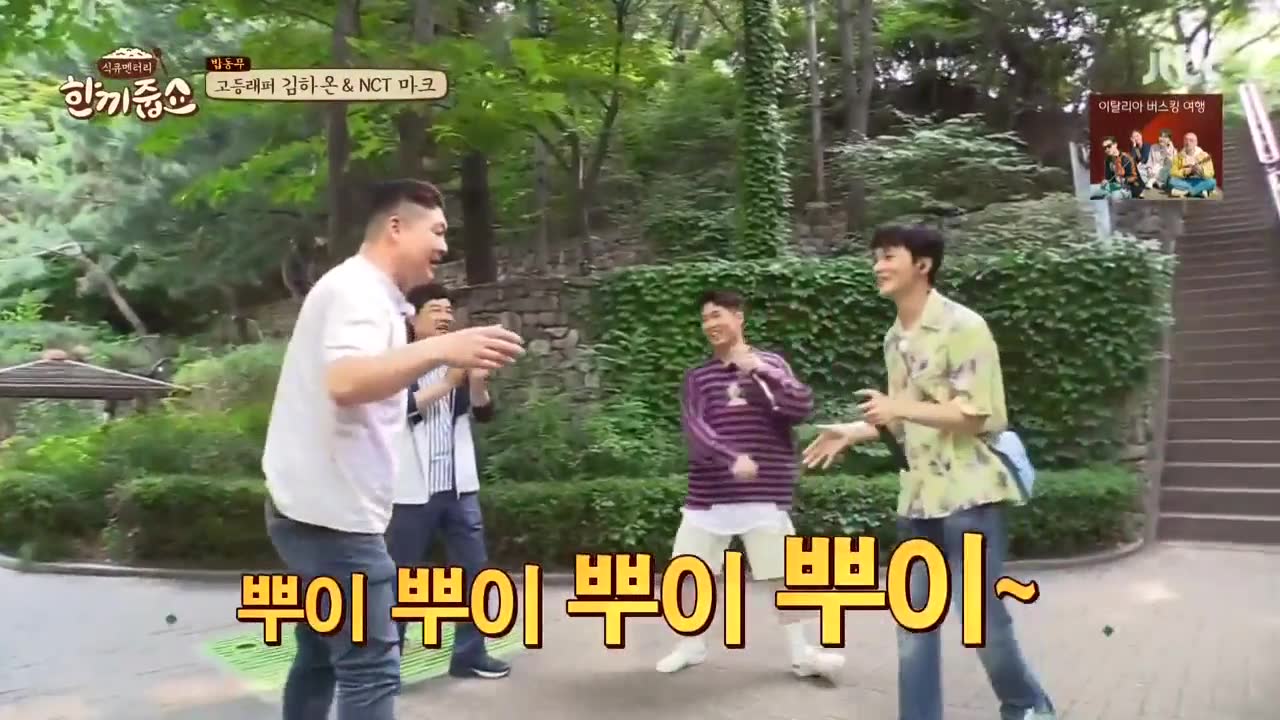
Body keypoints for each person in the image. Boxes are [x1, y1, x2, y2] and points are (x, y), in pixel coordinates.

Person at [261, 179, 524, 720]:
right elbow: (346, 380)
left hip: (319, 509)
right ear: (396, 228)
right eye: (438, 231)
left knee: (320, 653)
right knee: (372, 665)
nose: (445, 246)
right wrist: (441, 349)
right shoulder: (357, 290)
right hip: (332, 520)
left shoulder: (375, 298)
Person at [802, 226, 1055, 720]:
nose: (878, 266)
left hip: (971, 498)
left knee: (981, 621)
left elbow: (975, 414)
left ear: (922, 265)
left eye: (888, 256)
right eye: (876, 257)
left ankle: (1027, 705)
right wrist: (856, 431)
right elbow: (905, 418)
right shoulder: (894, 338)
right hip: (918, 501)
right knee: (913, 625)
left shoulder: (964, 326)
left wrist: (896, 407)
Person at [655, 289, 845, 681]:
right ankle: (690, 645)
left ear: (739, 317)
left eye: (717, 315)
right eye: (705, 318)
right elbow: (695, 429)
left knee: (783, 577)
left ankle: (802, 654)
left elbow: (800, 406)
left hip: (765, 492)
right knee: (688, 573)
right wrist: (730, 457)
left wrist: (759, 369)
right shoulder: (698, 377)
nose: (710, 324)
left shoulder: (773, 365)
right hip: (709, 495)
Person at [386, 282, 510, 680]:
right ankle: (384, 664)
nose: (444, 316)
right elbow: (397, 411)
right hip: (410, 491)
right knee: (400, 578)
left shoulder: (459, 360)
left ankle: (469, 655)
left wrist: (477, 381)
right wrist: (447, 383)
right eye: (435, 309)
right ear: (412, 318)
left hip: (458, 488)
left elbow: (483, 413)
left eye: (448, 310)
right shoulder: (397, 361)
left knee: (474, 572)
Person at [1168, 131, 1217, 198]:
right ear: (1183, 141)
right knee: (1171, 181)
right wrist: (1186, 171)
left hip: (1200, 181)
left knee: (1212, 181)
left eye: (1191, 140)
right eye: (1186, 140)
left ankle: (1186, 192)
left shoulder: (1204, 155)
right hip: (1185, 181)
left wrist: (1201, 171)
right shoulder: (1178, 156)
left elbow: (1211, 173)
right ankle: (1199, 191)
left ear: (1196, 143)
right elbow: (1172, 172)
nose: (1188, 143)